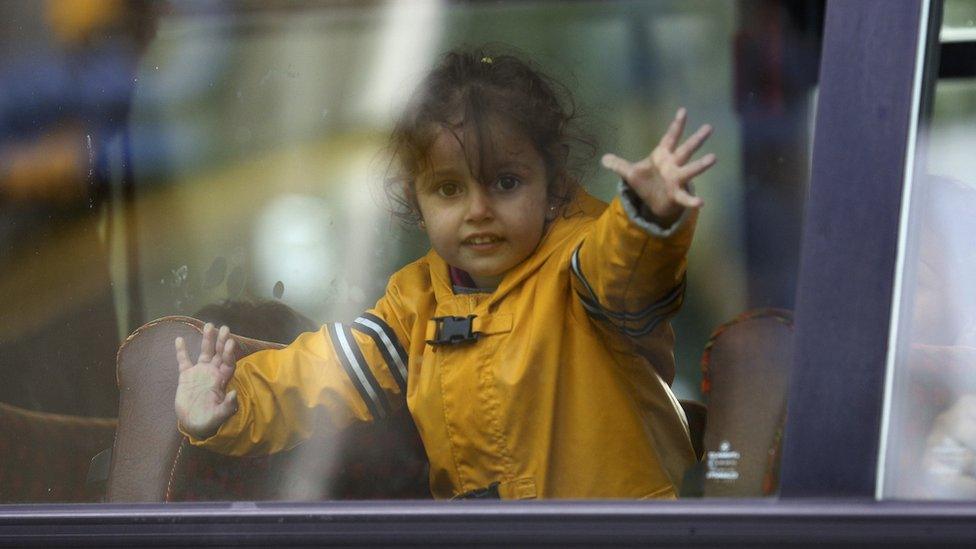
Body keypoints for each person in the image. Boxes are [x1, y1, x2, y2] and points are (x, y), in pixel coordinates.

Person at [173, 49, 717, 499]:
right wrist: (233, 401)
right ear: (418, 200)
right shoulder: (415, 304)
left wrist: (647, 218)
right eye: (450, 189)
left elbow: (629, 270)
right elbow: (322, 373)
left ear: (552, 185)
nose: (478, 209)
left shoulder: (581, 267)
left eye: (505, 183)